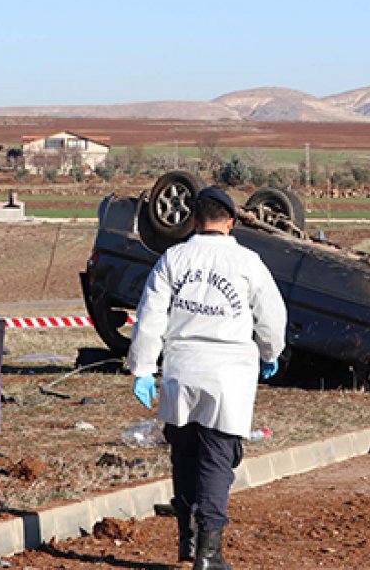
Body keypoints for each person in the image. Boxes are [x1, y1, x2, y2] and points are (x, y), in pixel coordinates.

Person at [128, 185, 287, 570]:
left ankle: (187, 542)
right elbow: (271, 316)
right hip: (228, 375)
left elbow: (150, 319)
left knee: (183, 454)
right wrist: (271, 353)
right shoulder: (248, 262)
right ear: (230, 222)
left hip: (181, 369)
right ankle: (209, 553)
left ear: (194, 221)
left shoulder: (173, 258)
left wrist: (144, 369)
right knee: (216, 460)